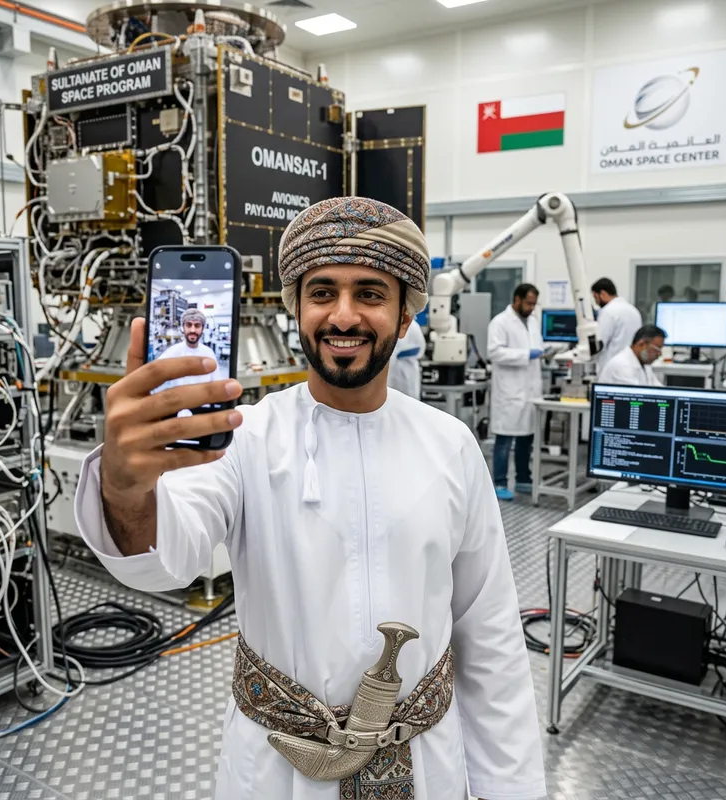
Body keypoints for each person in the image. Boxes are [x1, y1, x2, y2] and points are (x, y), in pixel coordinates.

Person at [74, 197, 547, 800]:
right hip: (277, 772)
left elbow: (490, 636)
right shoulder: (244, 437)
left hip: (425, 767)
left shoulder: (450, 446)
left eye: (371, 294)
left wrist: (511, 789)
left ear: (406, 317)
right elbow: (165, 554)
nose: (343, 315)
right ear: (296, 307)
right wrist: (123, 483)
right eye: (322, 292)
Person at [487, 283, 544, 501]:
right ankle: (499, 482)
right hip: (509, 392)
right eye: (528, 303)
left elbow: (535, 347)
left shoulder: (534, 321)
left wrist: (540, 353)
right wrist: (525, 354)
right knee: (504, 440)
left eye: (534, 304)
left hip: (530, 390)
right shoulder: (500, 322)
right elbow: (494, 352)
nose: (531, 308)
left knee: (526, 438)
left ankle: (523, 479)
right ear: (517, 299)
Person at [156, 308, 218, 390]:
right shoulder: (172, 352)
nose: (193, 330)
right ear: (183, 328)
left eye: (197, 326)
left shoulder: (209, 353)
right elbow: (155, 377)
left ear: (202, 329)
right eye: (188, 325)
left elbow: (217, 382)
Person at [591, 278, 643, 376]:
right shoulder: (633, 310)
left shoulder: (608, 311)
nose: (596, 303)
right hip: (631, 368)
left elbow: (599, 343)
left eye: (595, 297)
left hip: (612, 370)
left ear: (603, 294)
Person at [597, 324, 665, 386]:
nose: (660, 354)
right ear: (642, 344)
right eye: (657, 349)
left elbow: (659, 389)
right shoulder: (623, 365)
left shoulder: (645, 365)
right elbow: (635, 396)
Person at [388, 317, 426, 398]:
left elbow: (420, 348)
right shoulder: (389, 325)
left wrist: (400, 354)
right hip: (391, 369)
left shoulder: (413, 327)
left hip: (408, 369)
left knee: (409, 400)